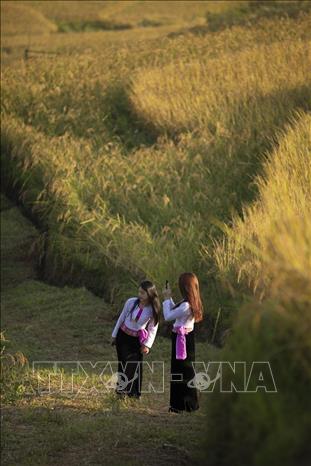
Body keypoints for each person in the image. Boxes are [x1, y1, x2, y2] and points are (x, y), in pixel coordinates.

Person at [111, 280, 160, 399]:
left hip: (137, 341)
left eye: (143, 293)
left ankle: (133, 393)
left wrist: (147, 345)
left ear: (150, 294)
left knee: (133, 366)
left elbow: (153, 328)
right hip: (123, 337)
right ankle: (121, 392)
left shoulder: (152, 310)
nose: (140, 295)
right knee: (123, 364)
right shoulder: (131, 302)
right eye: (139, 292)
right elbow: (121, 317)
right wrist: (114, 334)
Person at [162, 272, 203, 413]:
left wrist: (166, 299)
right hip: (186, 337)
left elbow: (168, 316)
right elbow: (176, 311)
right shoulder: (190, 302)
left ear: (185, 287)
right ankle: (186, 404)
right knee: (186, 370)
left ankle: (180, 405)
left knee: (180, 371)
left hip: (181, 338)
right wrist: (169, 299)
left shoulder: (186, 305)